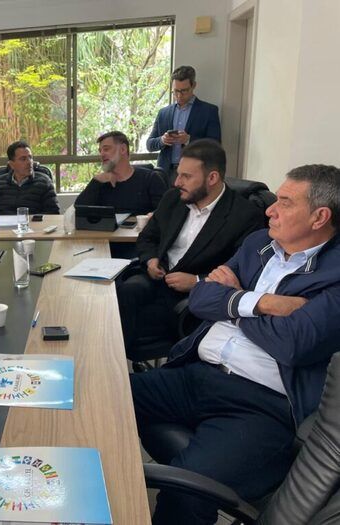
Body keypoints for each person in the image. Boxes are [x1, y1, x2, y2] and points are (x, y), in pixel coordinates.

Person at [131, 164, 340, 524]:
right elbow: (201, 298)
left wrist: (233, 302)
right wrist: (264, 303)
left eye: (285, 202)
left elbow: (294, 343)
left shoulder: (334, 274)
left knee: (187, 491)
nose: (270, 210)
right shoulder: (259, 244)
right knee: (97, 398)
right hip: (195, 375)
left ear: (319, 217)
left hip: (260, 405)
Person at [117, 139, 263, 358]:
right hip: (157, 277)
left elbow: (242, 271)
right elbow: (148, 238)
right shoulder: (173, 198)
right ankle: (110, 364)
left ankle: (118, 370)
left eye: (186, 176)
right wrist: (151, 260)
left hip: (191, 296)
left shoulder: (244, 216)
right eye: (178, 174)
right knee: (119, 297)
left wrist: (197, 281)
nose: (177, 182)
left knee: (129, 322)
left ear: (212, 178)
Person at [146, 66, 221, 180]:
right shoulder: (163, 113)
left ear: (193, 85)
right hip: (165, 174)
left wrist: (189, 140)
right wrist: (162, 140)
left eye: (184, 91)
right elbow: (149, 145)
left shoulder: (209, 111)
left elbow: (215, 146)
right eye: (176, 91)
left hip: (194, 174)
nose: (179, 95)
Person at [75, 131, 166, 215]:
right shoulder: (101, 183)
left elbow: (165, 212)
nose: (102, 154)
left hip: (141, 227)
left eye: (106, 149)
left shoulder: (150, 179)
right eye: (100, 151)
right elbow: (79, 209)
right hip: (109, 228)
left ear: (123, 149)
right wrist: (95, 181)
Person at [0, 141, 60, 215]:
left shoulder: (44, 182)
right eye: (23, 159)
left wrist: (32, 220)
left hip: (32, 224)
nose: (29, 162)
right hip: (3, 223)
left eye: (30, 157)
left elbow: (53, 212)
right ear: (12, 164)